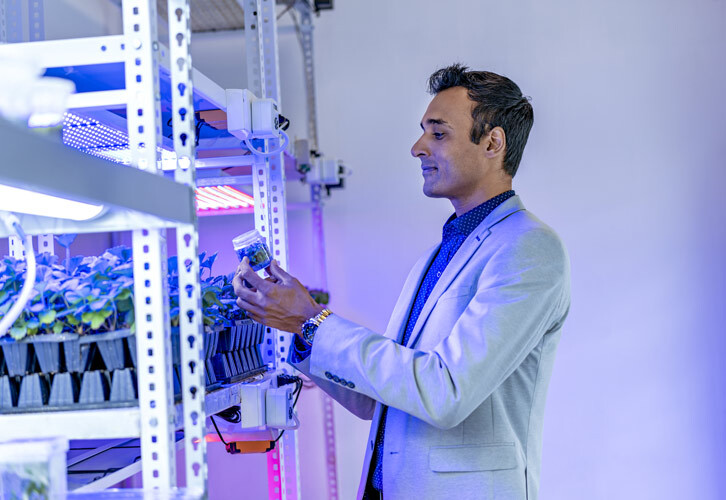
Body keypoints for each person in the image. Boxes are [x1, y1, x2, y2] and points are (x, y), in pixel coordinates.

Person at [233, 64, 571, 500]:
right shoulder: (439, 254)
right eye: (423, 132)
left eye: (439, 133)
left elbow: (446, 392)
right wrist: (302, 327)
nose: (417, 147)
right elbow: (378, 398)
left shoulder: (528, 249)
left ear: (492, 142)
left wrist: (315, 320)